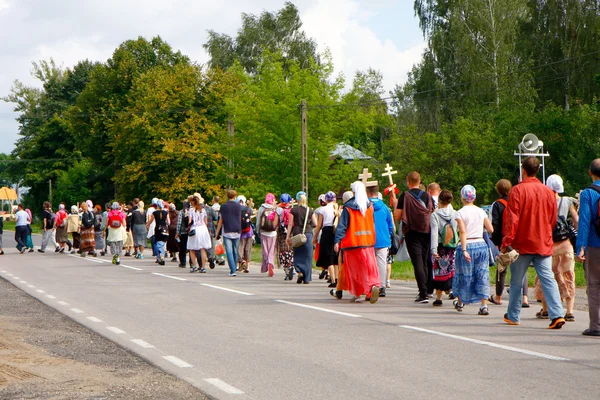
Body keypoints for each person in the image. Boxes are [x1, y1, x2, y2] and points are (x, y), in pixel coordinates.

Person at [501, 156, 565, 329]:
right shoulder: (548, 192)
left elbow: (512, 219)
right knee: (548, 278)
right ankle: (557, 314)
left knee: (516, 280)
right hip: (542, 241)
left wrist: (507, 241)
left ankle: (514, 315)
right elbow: (553, 219)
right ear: (537, 170)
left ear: (523, 170)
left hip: (522, 243)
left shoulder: (517, 191)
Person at [533, 175, 579, 321]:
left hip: (548, 245)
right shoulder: (567, 201)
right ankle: (570, 311)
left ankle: (546, 309)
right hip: (565, 244)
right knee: (568, 275)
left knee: (547, 277)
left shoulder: (542, 201)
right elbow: (576, 220)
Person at [333, 182, 380, 303]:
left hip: (352, 243)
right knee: (369, 267)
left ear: (353, 192)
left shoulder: (348, 207)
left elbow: (342, 226)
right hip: (368, 242)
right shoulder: (369, 206)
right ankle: (371, 288)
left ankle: (357, 292)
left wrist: (337, 241)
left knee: (355, 270)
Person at [451, 186, 493, 315]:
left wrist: (464, 249)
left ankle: (460, 301)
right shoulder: (481, 211)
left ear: (462, 197)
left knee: (462, 274)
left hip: (467, 244)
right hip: (481, 244)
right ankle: (484, 305)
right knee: (482, 274)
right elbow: (490, 229)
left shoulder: (460, 213)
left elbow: (462, 232)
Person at [394, 171, 434, 303]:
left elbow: (398, 216)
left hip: (412, 232)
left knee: (417, 262)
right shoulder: (428, 196)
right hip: (426, 231)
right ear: (420, 181)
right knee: (424, 260)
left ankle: (423, 293)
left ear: (408, 182)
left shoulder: (405, 196)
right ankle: (428, 289)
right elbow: (432, 213)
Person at [489, 179, 529, 307]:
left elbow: (495, 224)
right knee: (522, 268)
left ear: (498, 190)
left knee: (502, 267)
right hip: (518, 239)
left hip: (505, 239)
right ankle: (525, 298)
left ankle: (498, 296)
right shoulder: (518, 200)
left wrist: (496, 242)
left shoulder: (497, 204)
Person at [576, 159, 600, 336]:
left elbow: (583, 221)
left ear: (590, 172)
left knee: (594, 285)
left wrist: (581, 247)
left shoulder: (587, 193)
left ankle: (596, 326)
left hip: (595, 243)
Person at [430, 190, 458, 306]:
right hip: (452, 245)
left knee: (439, 270)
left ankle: (439, 298)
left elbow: (434, 233)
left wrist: (433, 250)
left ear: (439, 201)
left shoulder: (435, 215)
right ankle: (452, 291)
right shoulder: (455, 213)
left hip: (441, 245)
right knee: (451, 268)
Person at [366, 185, 394, 297]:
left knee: (368, 263)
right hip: (383, 238)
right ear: (377, 193)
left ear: (367, 193)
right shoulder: (385, 207)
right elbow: (390, 224)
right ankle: (382, 286)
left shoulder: (365, 207)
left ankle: (370, 285)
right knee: (382, 263)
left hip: (368, 238)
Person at [286, 191, 316, 284]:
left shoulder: (294, 210)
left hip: (297, 235)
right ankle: (306, 278)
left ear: (297, 200)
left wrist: (288, 236)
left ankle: (299, 271)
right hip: (307, 234)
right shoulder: (310, 210)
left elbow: (290, 224)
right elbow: (315, 223)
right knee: (307, 256)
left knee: (297, 255)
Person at [313, 191, 339, 288]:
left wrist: (315, 237)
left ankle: (332, 280)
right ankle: (337, 278)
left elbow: (319, 225)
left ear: (326, 199)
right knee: (335, 257)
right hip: (336, 232)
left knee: (329, 257)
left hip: (327, 232)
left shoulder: (323, 210)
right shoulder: (337, 209)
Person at [216, 190, 242, 277]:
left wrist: (217, 232)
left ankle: (232, 270)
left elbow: (221, 220)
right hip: (237, 229)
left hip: (227, 229)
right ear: (235, 196)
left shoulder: (223, 206)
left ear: (227, 196)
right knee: (235, 250)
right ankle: (235, 267)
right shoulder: (239, 206)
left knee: (229, 251)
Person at [256, 193, 279, 277]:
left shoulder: (262, 208)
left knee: (265, 249)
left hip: (263, 231)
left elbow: (258, 221)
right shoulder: (275, 208)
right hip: (273, 232)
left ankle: (266, 262)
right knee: (272, 249)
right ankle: (270, 262)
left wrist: (258, 231)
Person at [187, 195, 212, 273]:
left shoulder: (191, 210)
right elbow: (206, 221)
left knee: (191, 248)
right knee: (202, 248)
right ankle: (203, 267)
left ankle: (194, 266)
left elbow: (190, 221)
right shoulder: (203, 210)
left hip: (195, 228)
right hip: (203, 229)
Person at [277, 193, 295, 280]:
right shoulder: (292, 209)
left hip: (281, 232)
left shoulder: (278, 209)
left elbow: (275, 222)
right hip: (290, 231)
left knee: (283, 250)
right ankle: (291, 265)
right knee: (290, 249)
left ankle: (287, 271)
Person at [146, 200, 169, 265]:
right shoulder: (166, 212)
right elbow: (168, 222)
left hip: (158, 229)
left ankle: (160, 257)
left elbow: (151, 221)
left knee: (158, 243)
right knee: (162, 244)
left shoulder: (155, 213)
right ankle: (161, 256)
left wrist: (147, 225)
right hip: (165, 229)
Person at [237, 195, 254, 273]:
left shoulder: (236, 209)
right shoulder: (248, 209)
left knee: (240, 248)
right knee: (248, 249)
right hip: (249, 231)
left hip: (240, 232)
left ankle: (239, 263)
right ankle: (248, 267)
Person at [203, 197, 218, 269]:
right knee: (210, 244)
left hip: (201, 230)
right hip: (210, 229)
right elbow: (215, 218)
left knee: (202, 246)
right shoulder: (210, 209)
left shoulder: (197, 209)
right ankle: (211, 257)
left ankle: (203, 259)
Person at [176, 200, 191, 268]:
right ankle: (192, 263)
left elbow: (179, 223)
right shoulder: (191, 211)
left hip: (183, 232)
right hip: (190, 232)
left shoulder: (181, 212)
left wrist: (177, 232)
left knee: (182, 248)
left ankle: (183, 262)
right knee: (191, 248)